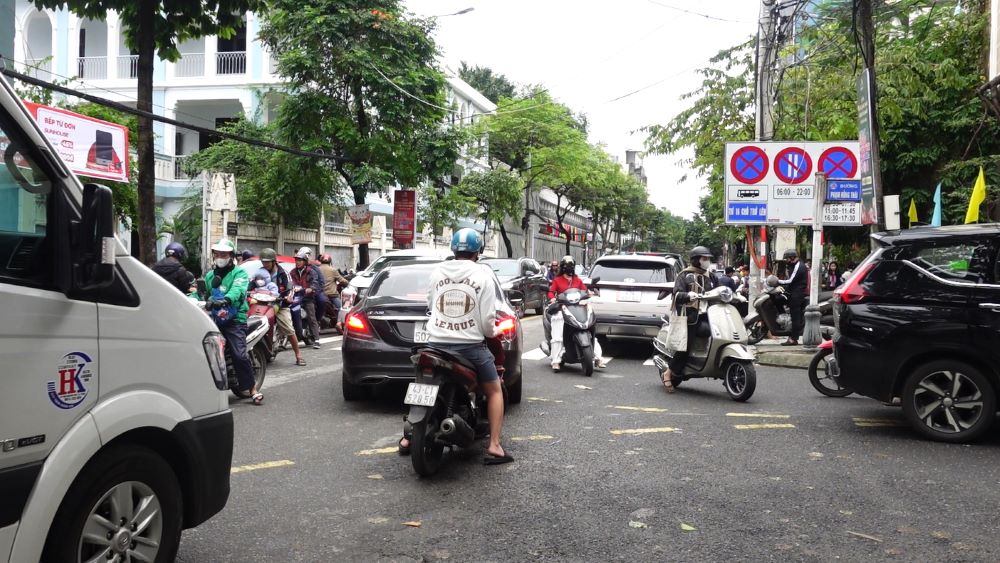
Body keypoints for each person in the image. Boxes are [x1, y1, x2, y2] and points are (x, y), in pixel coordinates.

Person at [398, 228, 513, 465]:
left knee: (421, 383)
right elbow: (487, 321)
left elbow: (431, 305)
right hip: (470, 346)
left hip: (435, 344)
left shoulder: (437, 271)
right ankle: (494, 445)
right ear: (478, 252)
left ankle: (407, 437)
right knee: (494, 390)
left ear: (454, 250)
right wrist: (492, 332)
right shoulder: (484, 275)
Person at [204, 238, 263, 404]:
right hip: (214, 318)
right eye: (218, 253)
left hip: (235, 319)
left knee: (239, 354)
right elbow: (203, 293)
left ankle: (252, 389)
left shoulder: (239, 273)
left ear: (231, 256)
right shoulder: (210, 275)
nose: (220, 256)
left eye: (224, 253)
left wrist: (226, 299)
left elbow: (238, 289)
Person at [660, 246, 719, 393]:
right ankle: (669, 371)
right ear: (696, 260)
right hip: (691, 316)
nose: (707, 261)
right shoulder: (685, 275)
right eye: (704, 259)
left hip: (711, 315)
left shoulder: (711, 276)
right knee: (686, 345)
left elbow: (719, 291)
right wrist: (687, 295)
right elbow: (677, 295)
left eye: (708, 259)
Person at [547, 255, 605, 371]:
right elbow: (551, 292)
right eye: (568, 267)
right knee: (558, 336)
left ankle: (598, 358)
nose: (570, 269)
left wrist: (590, 293)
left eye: (571, 267)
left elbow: (584, 291)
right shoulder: (557, 280)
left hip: (577, 308)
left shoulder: (577, 280)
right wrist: (553, 298)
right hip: (562, 309)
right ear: (563, 268)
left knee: (589, 329)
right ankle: (556, 361)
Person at [260, 248, 305, 366]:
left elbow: (290, 288)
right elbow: (251, 283)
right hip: (262, 304)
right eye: (263, 262)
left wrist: (289, 297)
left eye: (267, 262)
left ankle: (298, 355)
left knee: (288, 328)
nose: (264, 264)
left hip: (279, 304)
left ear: (274, 261)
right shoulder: (260, 272)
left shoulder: (283, 273)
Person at [290, 249, 322, 349]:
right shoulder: (292, 272)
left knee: (311, 317)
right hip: (295, 298)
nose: (298, 262)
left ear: (305, 261)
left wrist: (310, 289)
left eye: (300, 260)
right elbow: (289, 282)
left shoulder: (311, 272)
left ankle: (316, 339)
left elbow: (315, 283)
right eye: (296, 260)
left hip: (307, 298)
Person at [777, 249, 807, 346]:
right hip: (792, 292)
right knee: (778, 300)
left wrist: (777, 281)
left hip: (797, 294)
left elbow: (790, 280)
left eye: (787, 259)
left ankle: (793, 339)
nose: (786, 261)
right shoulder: (792, 265)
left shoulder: (799, 266)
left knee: (795, 317)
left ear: (792, 257)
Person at [318, 253, 348, 332]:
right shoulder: (333, 270)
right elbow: (342, 280)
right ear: (330, 261)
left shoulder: (317, 269)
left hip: (320, 294)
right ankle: (339, 323)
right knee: (341, 308)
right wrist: (348, 283)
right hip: (332, 295)